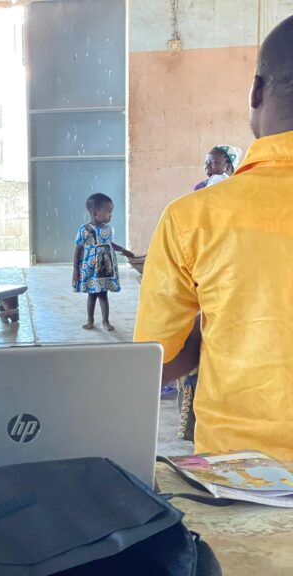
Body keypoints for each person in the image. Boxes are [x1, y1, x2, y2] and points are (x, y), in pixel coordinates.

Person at [135, 15, 293, 460]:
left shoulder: (193, 218)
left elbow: (155, 358)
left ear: (256, 92)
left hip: (240, 473)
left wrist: (225, 326)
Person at [73, 193, 134, 331]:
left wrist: (123, 250)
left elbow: (110, 244)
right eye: (108, 212)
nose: (111, 215)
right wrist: (75, 270)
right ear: (95, 213)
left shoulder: (108, 229)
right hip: (90, 269)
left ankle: (105, 321)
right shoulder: (84, 229)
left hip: (105, 268)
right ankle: (90, 320)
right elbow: (78, 249)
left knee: (103, 294)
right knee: (92, 294)